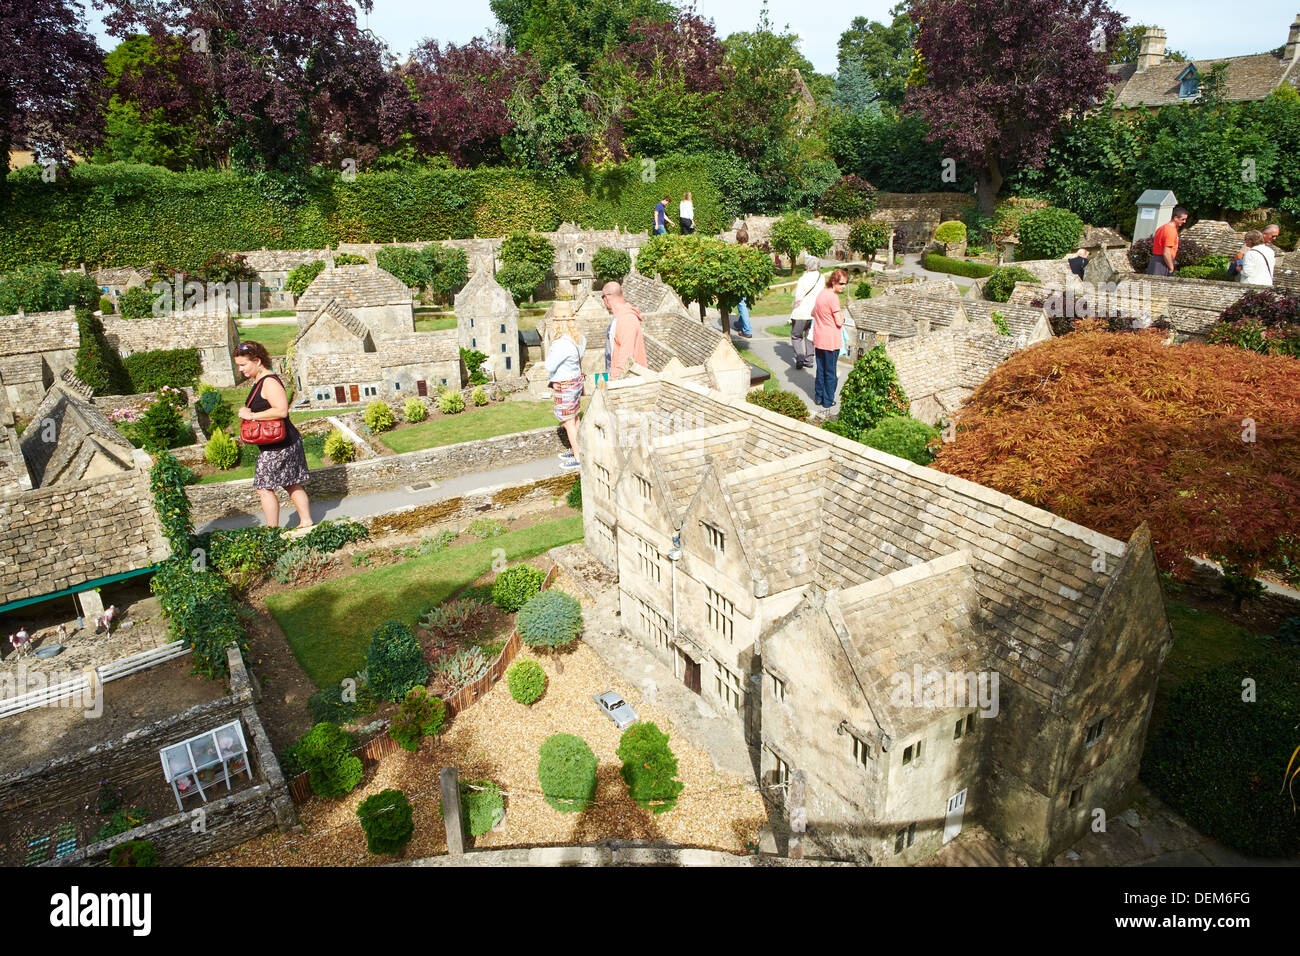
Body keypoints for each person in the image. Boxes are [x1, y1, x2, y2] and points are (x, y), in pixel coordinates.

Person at [234, 341, 313, 530]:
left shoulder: (268, 381)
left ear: (257, 361)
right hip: (284, 441)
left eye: (243, 364)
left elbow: (282, 411)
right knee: (290, 483)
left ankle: (272, 530)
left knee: (263, 487)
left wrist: (251, 415)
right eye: (238, 365)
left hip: (281, 444)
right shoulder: (260, 380)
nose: (240, 369)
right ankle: (306, 521)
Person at [545, 311, 585, 471]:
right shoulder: (580, 339)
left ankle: (578, 458)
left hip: (565, 385)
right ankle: (581, 449)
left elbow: (549, 366)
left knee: (568, 422)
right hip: (576, 382)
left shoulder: (560, 343)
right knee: (575, 418)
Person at [812, 269, 848, 409]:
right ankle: (828, 400)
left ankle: (818, 397)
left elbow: (813, 312)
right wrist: (843, 317)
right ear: (833, 281)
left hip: (819, 338)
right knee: (830, 372)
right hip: (831, 341)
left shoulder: (821, 293)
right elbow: (839, 321)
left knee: (820, 370)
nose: (843, 286)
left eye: (845, 283)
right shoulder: (833, 297)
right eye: (841, 283)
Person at [602, 281, 646, 379]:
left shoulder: (627, 320)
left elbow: (626, 358)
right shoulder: (619, 318)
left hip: (627, 382)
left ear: (606, 299)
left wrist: (614, 381)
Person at [789, 257, 821, 370]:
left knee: (796, 336)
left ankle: (800, 358)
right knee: (810, 336)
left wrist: (793, 308)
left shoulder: (803, 279)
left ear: (807, 266)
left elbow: (798, 298)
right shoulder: (821, 278)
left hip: (801, 312)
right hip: (815, 313)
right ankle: (809, 360)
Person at [1146, 206, 1188, 276]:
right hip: (1163, 262)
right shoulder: (1171, 231)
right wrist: (1171, 267)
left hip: (1155, 260)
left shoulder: (1161, 228)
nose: (1184, 221)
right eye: (1183, 219)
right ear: (1175, 218)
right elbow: (1166, 253)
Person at [734, 225, 753, 338]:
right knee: (747, 304)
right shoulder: (752, 251)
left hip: (742, 282)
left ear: (737, 239)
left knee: (742, 304)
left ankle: (747, 330)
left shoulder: (737, 252)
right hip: (751, 282)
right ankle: (741, 323)